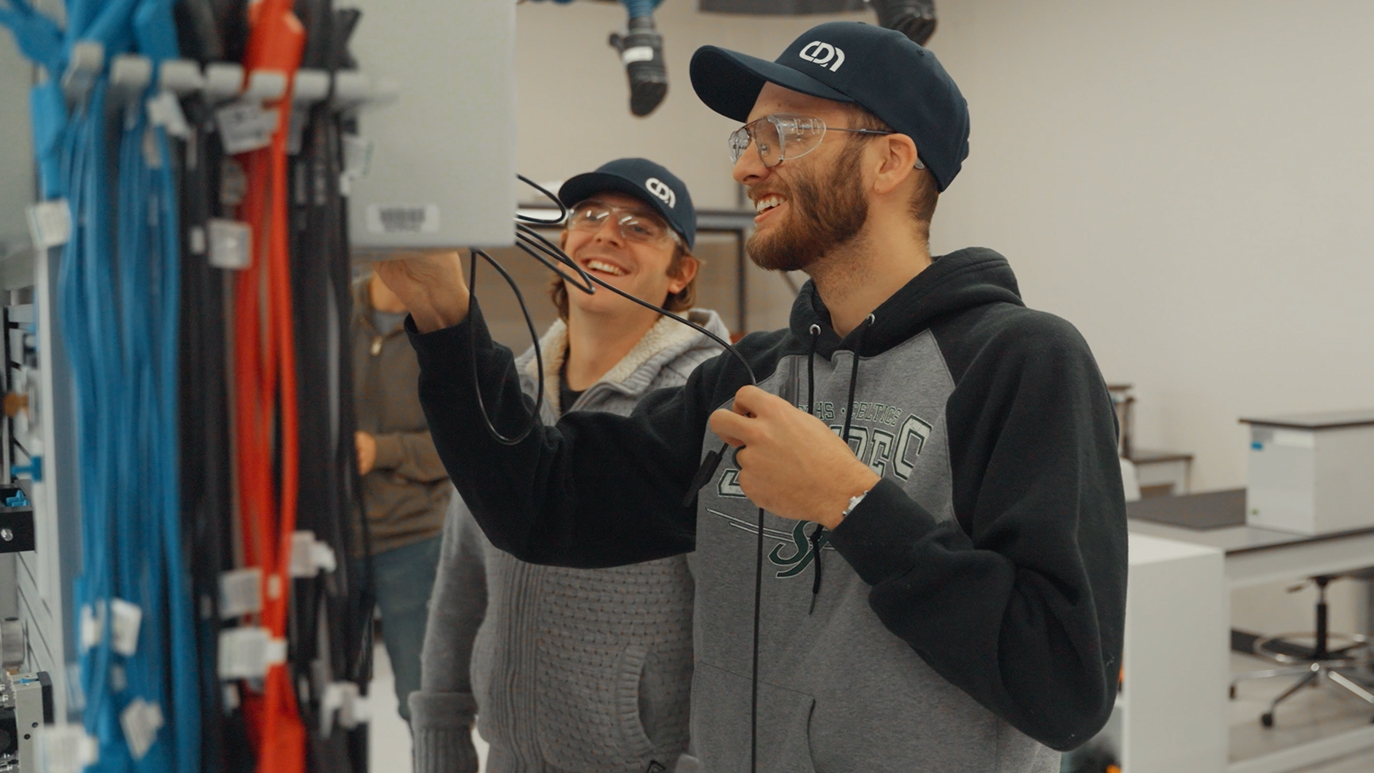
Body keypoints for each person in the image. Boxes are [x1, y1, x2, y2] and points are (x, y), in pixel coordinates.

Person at [380, 21, 1127, 772]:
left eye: (786, 134)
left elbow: (1065, 686)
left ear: (891, 160)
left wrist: (855, 505)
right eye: (749, 138)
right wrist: (445, 319)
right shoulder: (748, 375)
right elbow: (540, 501)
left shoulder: (1018, 361)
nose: (749, 168)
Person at [407, 159, 725, 772]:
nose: (606, 234)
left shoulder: (704, 406)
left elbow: (732, 616)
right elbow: (460, 576)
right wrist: (441, 730)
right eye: (589, 216)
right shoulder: (503, 390)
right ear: (563, 244)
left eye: (640, 227)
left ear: (680, 273)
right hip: (509, 757)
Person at [351, 268, 452, 722]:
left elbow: (467, 446)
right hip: (328, 537)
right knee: (324, 700)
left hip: (414, 538)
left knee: (423, 698)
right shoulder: (325, 310)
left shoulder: (445, 325)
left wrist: (384, 451)